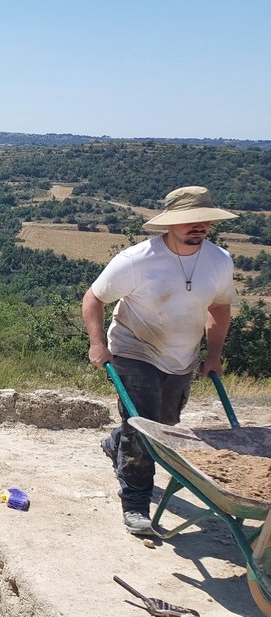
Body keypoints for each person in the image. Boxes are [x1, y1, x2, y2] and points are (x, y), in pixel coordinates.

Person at [82, 186, 238, 536]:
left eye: (204, 220)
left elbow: (219, 307)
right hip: (134, 349)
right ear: (170, 223)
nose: (199, 226)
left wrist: (214, 354)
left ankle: (116, 442)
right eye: (189, 220)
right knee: (143, 429)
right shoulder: (137, 260)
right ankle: (136, 504)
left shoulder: (218, 261)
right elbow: (93, 298)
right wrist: (97, 344)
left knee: (166, 424)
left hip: (182, 357)